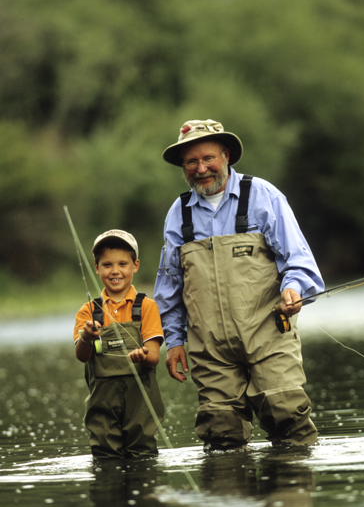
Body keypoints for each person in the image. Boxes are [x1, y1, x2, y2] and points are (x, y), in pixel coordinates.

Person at [154, 119, 324, 451]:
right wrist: (173, 341)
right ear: (183, 167)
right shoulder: (178, 215)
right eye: (192, 162)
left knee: (288, 418)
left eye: (208, 158)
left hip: (269, 334)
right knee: (220, 434)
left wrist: (293, 289)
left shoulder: (264, 196)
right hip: (209, 349)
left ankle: (289, 492)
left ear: (226, 155)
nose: (201, 168)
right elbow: (170, 286)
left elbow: (300, 261)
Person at [74, 229, 165, 459]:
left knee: (142, 454)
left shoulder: (147, 307)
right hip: (101, 404)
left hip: (141, 404)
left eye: (122, 264)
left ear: (135, 265)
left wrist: (143, 356)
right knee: (104, 457)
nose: (115, 271)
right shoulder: (87, 311)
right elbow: (82, 356)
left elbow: (154, 356)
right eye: (107, 265)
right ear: (97, 268)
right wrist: (87, 337)